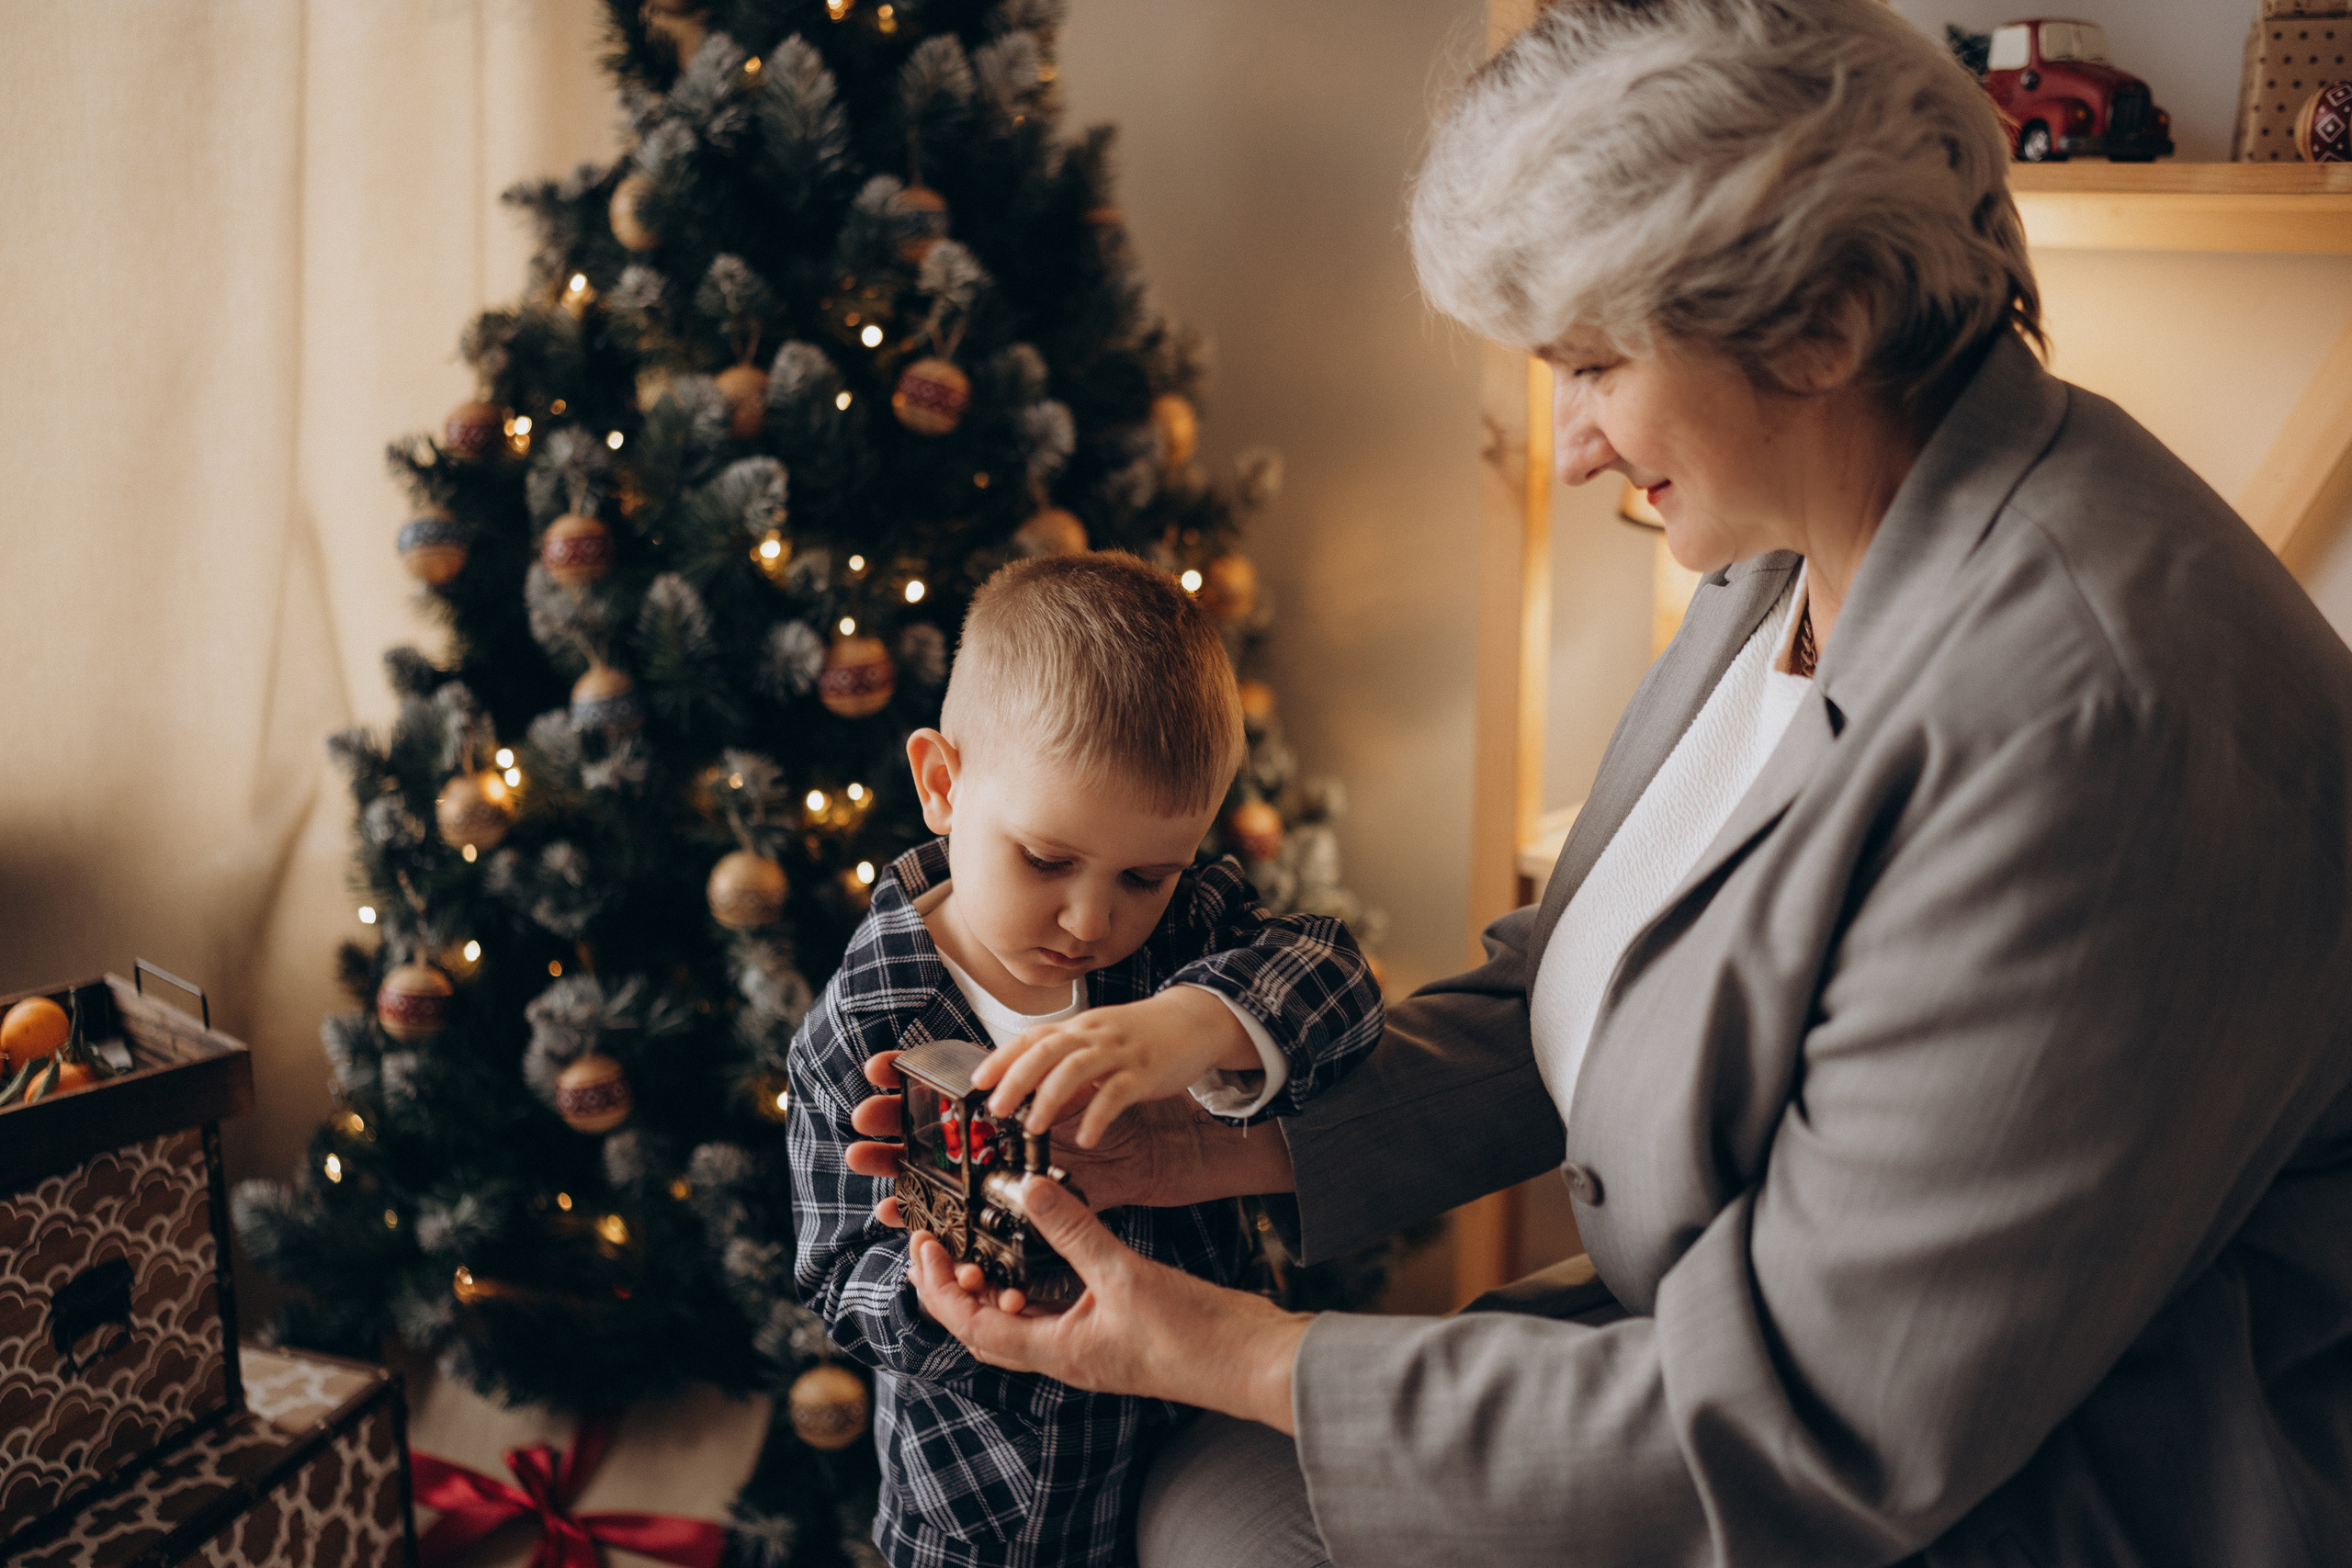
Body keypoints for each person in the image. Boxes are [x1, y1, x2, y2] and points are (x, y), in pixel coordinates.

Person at [851, 2, 2352, 1563]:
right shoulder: (1796, 547)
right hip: (1720, 1358)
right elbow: (1562, 994)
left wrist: (1213, 1346)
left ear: (1821, 324)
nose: (1565, 448)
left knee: (1223, 1507)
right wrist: (1211, 1144)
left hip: (2016, 1485)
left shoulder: (2092, 728)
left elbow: (1824, 1416)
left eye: (1591, 364)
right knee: (1209, 1503)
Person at [788, 550, 1385, 1568]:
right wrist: (952, 1297)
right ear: (941, 784)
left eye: (1144, 875)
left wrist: (1193, 1022)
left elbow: (1334, 976)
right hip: (980, 1508)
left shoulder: (1181, 939)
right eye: (1046, 860)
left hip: (1191, 1443)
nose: (1090, 917)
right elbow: (835, 1268)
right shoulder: (861, 1024)